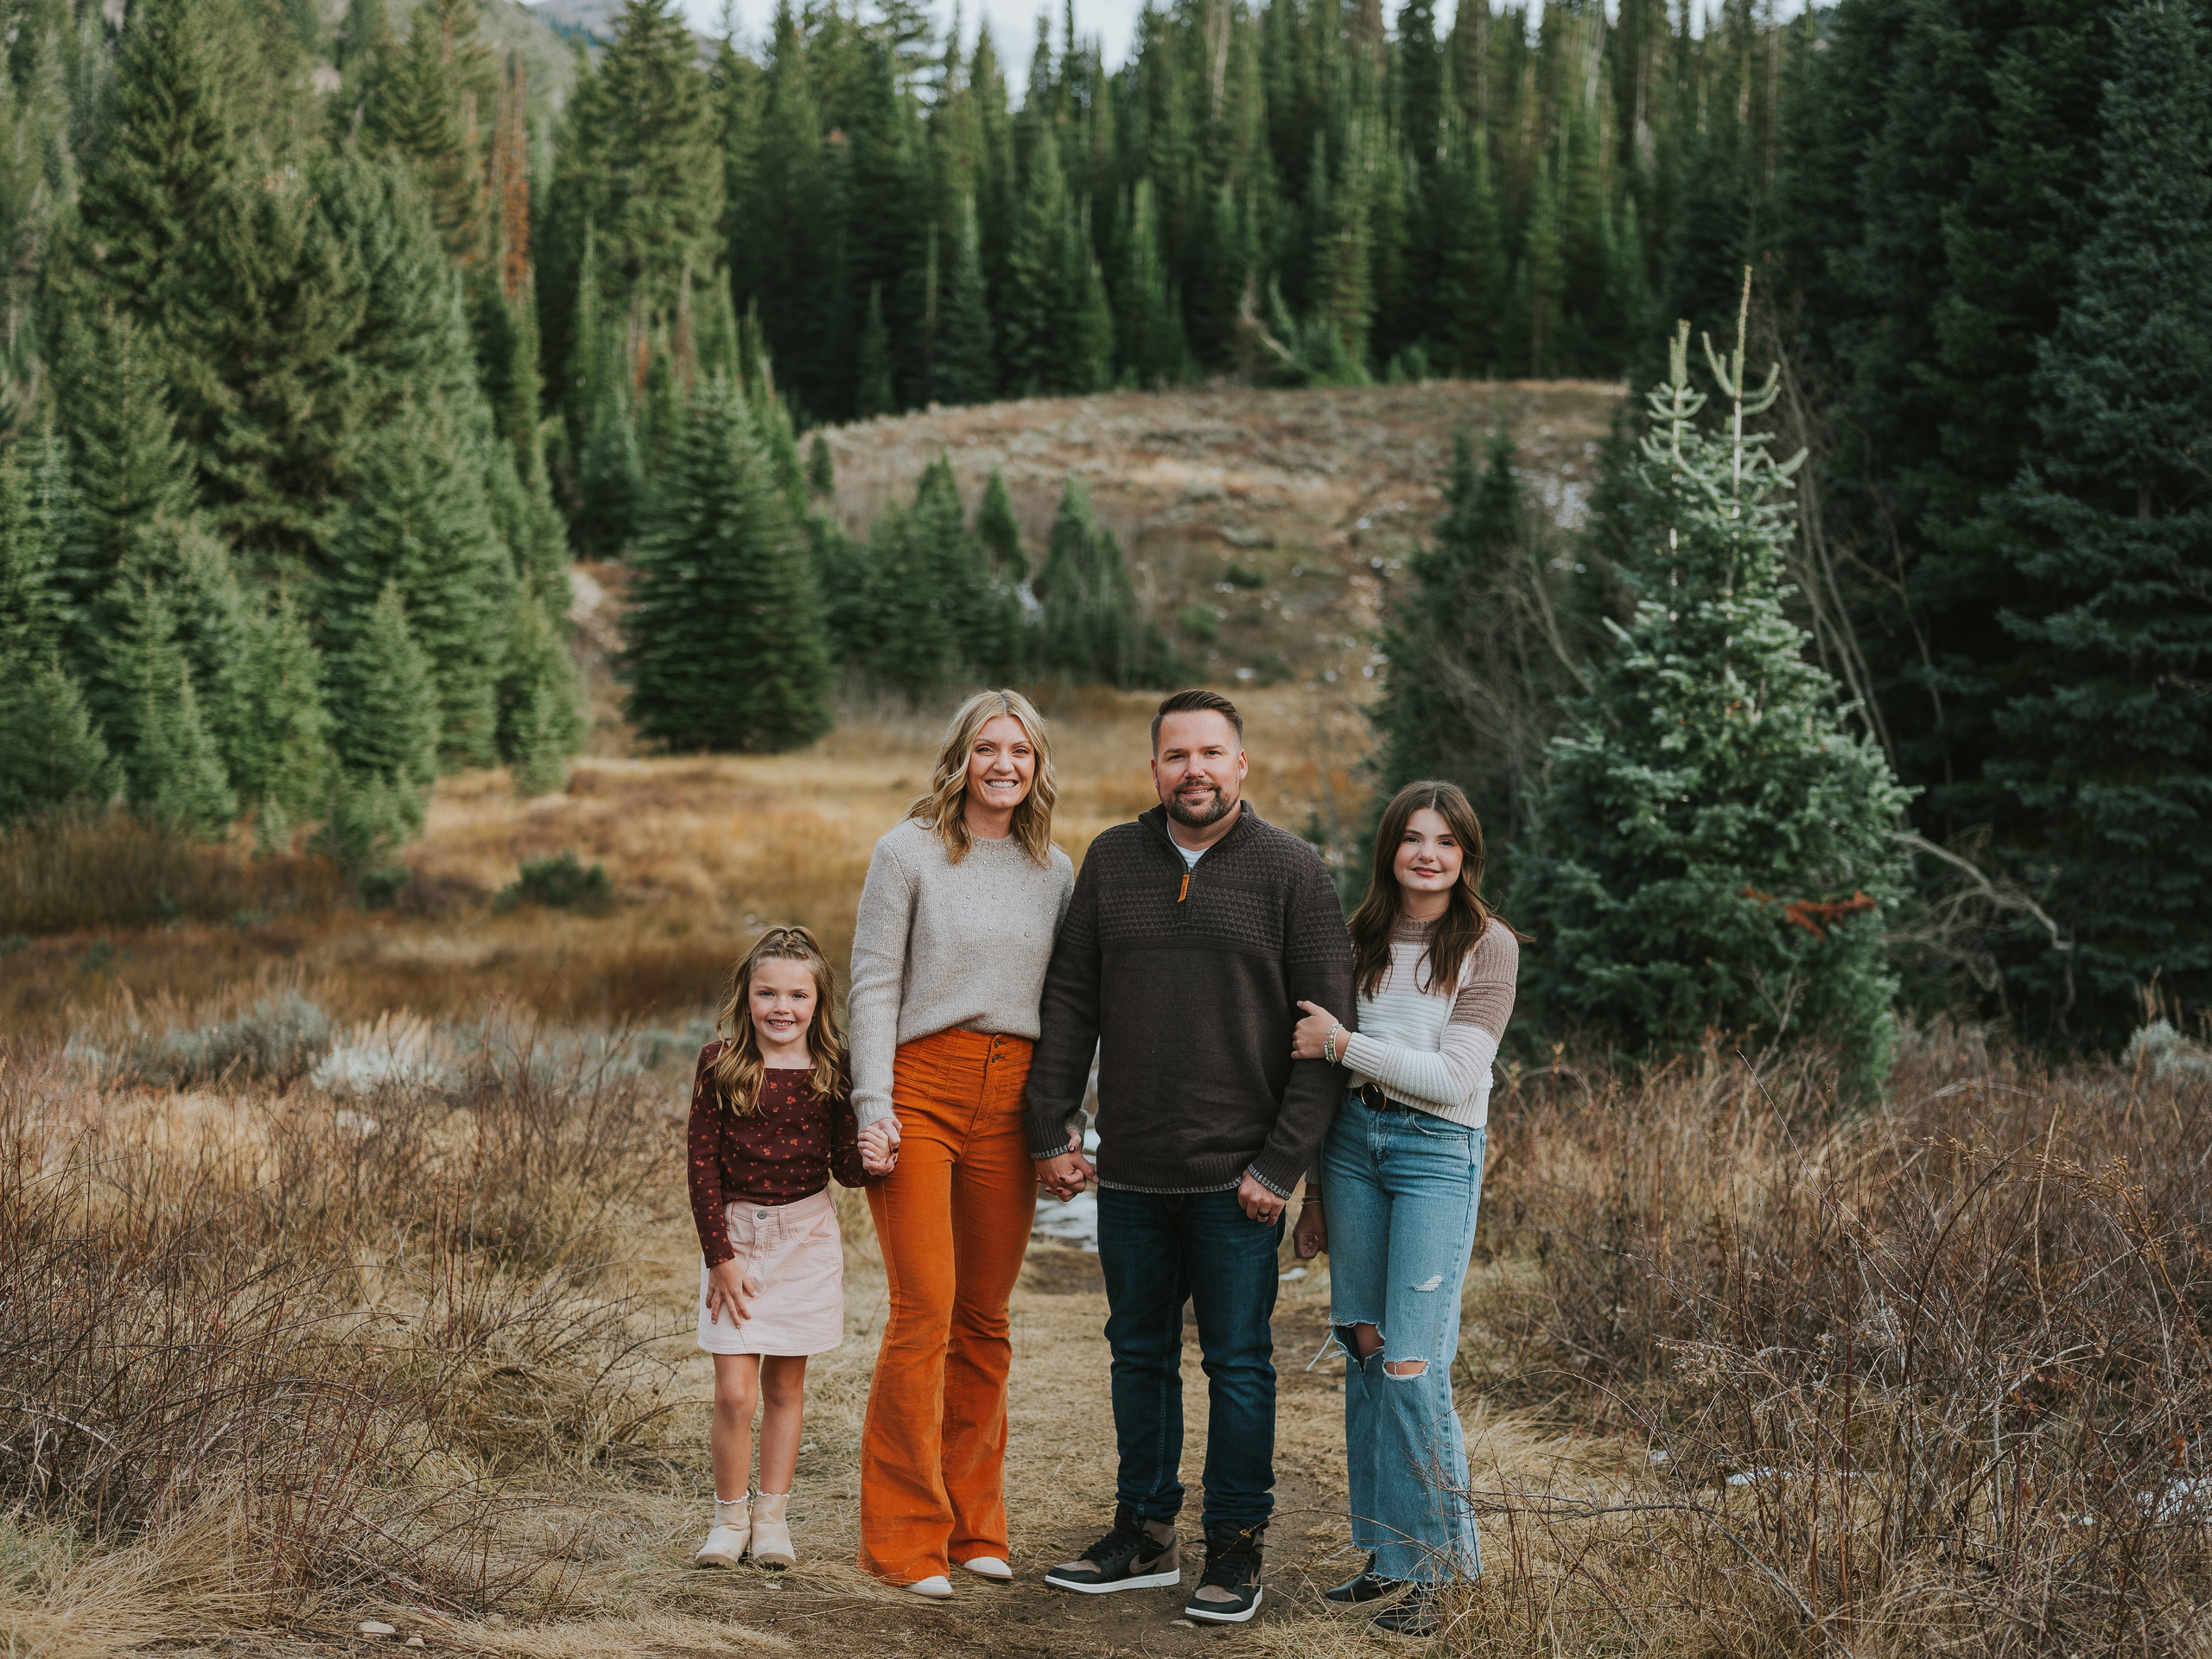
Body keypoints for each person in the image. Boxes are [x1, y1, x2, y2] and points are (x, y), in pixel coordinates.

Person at [1027, 688, 1355, 1625]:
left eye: (1211, 753)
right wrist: (1053, 1129)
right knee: (1137, 1357)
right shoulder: (1113, 861)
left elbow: (1330, 1037)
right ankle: (1143, 1533)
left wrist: (1280, 1169)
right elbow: (1069, 1004)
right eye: (1177, 756)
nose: (1194, 771)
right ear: (1155, 769)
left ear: (1240, 766)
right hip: (1129, 1171)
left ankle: (1236, 1546)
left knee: (1239, 1364)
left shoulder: (1292, 872)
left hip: (1238, 1184)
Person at [849, 690, 1076, 1599]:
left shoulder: (1053, 869)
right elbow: (871, 982)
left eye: (1020, 751)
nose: (1004, 765)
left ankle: (975, 1527)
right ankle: (904, 1541)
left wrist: (1059, 1122)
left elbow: (1066, 1011)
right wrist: (872, 1102)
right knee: (924, 1310)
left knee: (984, 1317)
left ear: (1037, 765)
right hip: (920, 1089)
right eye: (988, 748)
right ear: (960, 758)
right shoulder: (906, 853)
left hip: (1012, 1097)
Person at [1289, 780, 1522, 1639]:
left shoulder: (1485, 946)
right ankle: (1388, 1557)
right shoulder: (1358, 940)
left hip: (1435, 1154)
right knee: (1363, 1344)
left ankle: (1448, 1572)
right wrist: (1316, 1193)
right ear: (1390, 848)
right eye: (1413, 839)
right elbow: (1330, 1082)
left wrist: (1346, 1043)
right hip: (1352, 1149)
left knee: (1413, 1363)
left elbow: (1454, 1077)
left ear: (1466, 856)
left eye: (1446, 842)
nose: (1428, 854)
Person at [689, 925, 878, 1573]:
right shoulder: (721, 1064)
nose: (781, 1008)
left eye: (798, 995)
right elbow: (701, 1167)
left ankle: (771, 1520)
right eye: (767, 992)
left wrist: (878, 1153)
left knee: (783, 1388)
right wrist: (721, 1256)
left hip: (806, 1237)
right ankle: (728, 1518)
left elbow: (848, 1169)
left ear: (818, 1003)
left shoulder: (834, 1070)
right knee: (734, 1393)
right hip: (738, 1240)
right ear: (746, 996)